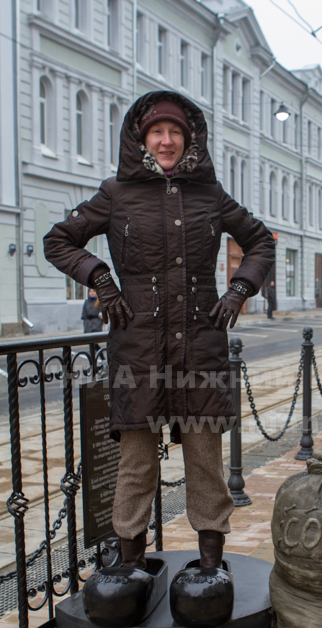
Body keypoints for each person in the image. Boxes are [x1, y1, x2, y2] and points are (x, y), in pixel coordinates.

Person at [44, 91, 274, 579]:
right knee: (136, 463)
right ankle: (130, 566)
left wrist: (239, 290)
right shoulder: (117, 193)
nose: (166, 141)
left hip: (201, 349)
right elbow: (58, 241)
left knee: (206, 461)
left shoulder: (210, 194)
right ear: (141, 138)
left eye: (175, 132)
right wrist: (101, 279)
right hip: (139, 349)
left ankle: (210, 566)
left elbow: (260, 241)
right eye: (157, 132)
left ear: (188, 140)